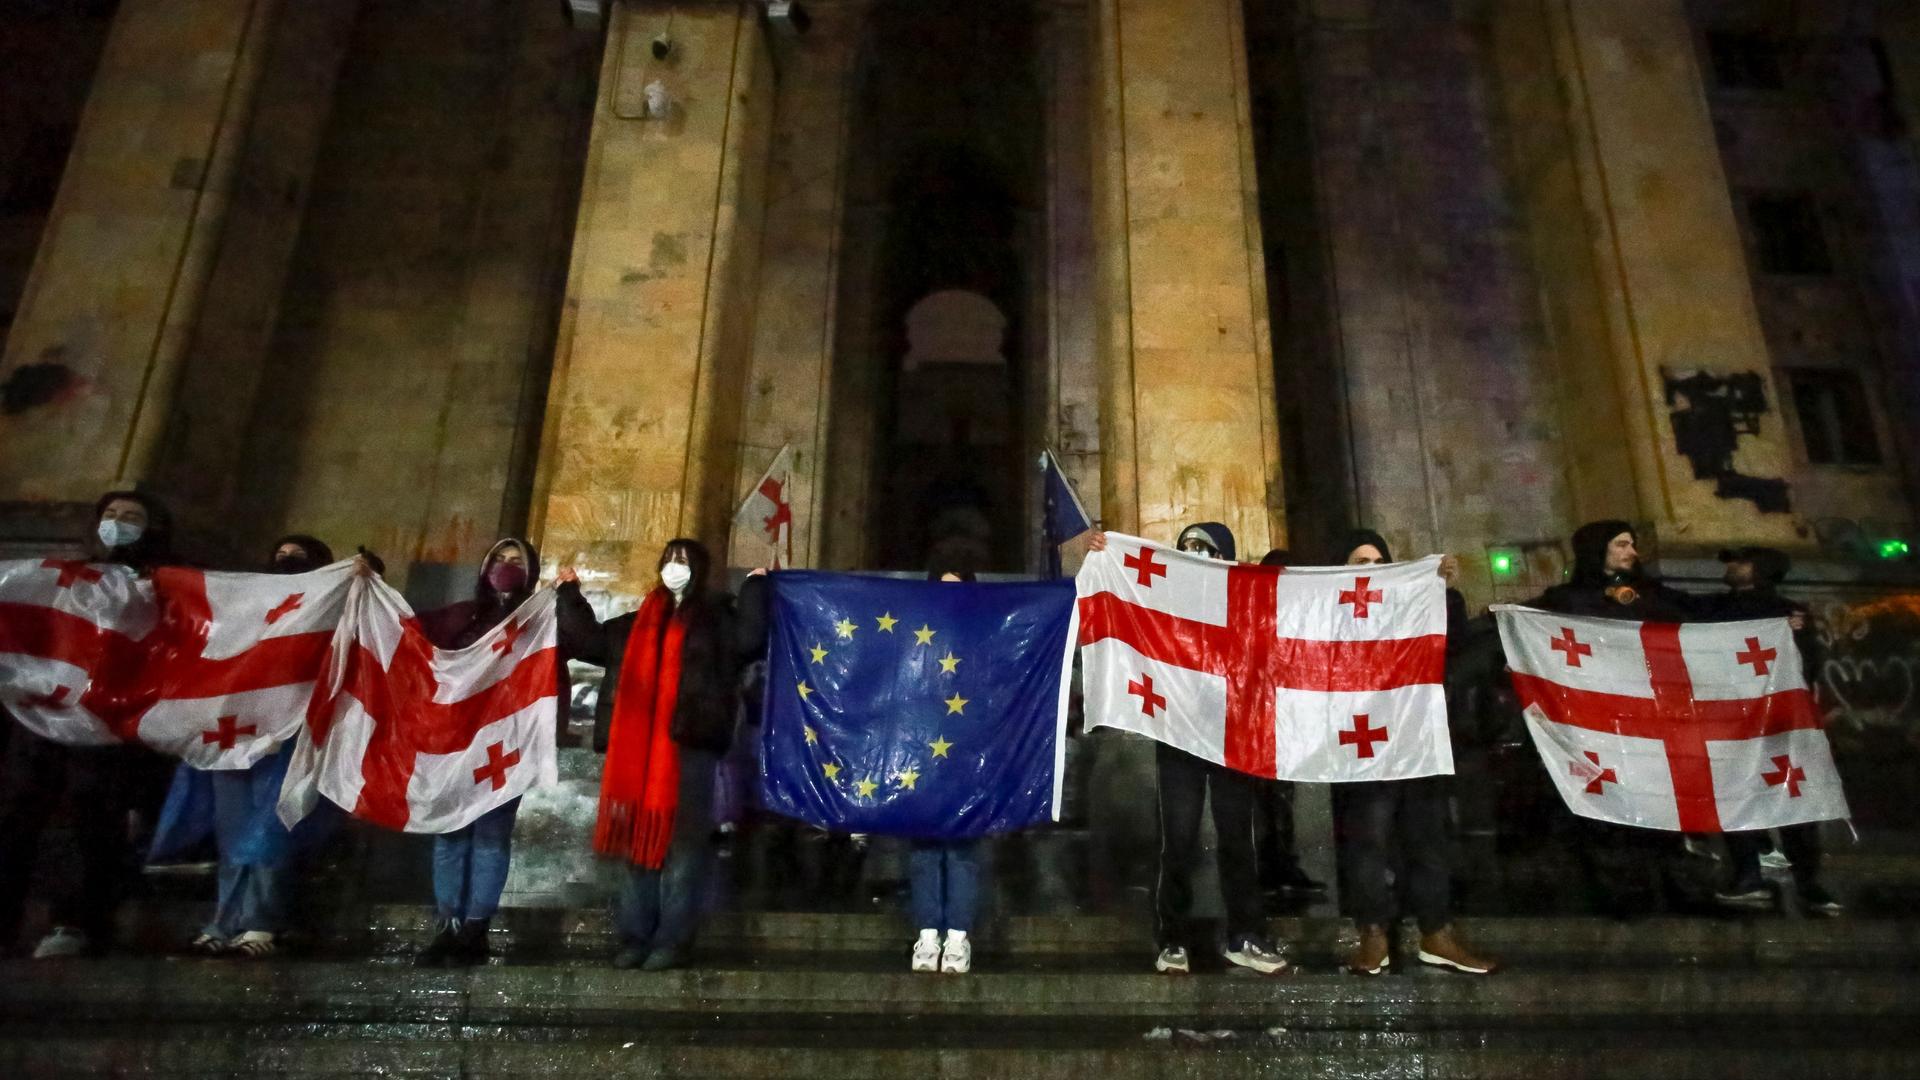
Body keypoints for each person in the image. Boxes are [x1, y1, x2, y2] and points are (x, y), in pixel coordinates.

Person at [555, 539, 766, 971]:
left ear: (701, 570)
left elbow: (750, 640)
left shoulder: (717, 621)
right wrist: (570, 596)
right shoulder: (635, 624)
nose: (675, 568)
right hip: (637, 751)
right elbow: (589, 643)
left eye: (685, 561)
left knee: (683, 849)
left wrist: (757, 592)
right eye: (670, 560)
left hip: (690, 745)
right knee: (638, 845)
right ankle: (635, 936)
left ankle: (672, 940)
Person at [1090, 524, 1289, 976]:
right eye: (1186, 549)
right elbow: (1121, 598)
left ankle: (1244, 936)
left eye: (1205, 549)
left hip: (1232, 734)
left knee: (1239, 839)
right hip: (1178, 733)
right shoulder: (1164, 603)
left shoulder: (1246, 604)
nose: (1194, 555)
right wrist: (1103, 554)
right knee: (1176, 839)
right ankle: (1172, 938)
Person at [0, 490, 174, 958]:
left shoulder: (164, 583)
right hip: (40, 716)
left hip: (106, 726)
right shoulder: (61, 575)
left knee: (92, 822)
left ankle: (78, 921)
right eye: (111, 515)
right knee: (14, 819)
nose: (118, 523)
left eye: (131, 516)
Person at [1333, 530, 1496, 976]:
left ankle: (1436, 933)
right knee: (1368, 839)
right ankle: (1373, 935)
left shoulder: (1416, 602)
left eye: (1377, 561)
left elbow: (1457, 648)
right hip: (1363, 743)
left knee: (1428, 839)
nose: (1368, 571)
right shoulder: (1330, 611)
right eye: (1356, 563)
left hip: (1416, 739)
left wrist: (1436, 587)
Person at [1526, 519, 1700, 916]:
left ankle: (1669, 890)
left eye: (1632, 545)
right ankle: (1616, 895)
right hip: (1595, 729)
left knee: (1657, 808)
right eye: (1622, 544)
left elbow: (1704, 613)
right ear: (1597, 549)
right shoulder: (1565, 600)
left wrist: (1777, 615)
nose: (1632, 553)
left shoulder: (1652, 597)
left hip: (1650, 727)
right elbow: (1525, 622)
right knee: (1605, 812)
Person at [174, 535, 335, 958]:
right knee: (233, 833)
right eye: (280, 555)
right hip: (232, 731)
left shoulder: (328, 614)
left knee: (272, 830)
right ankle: (225, 920)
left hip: (289, 737)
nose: (286, 561)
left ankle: (263, 920)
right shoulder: (243, 609)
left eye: (298, 558)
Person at [412, 537, 551, 966]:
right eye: (499, 559)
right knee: (451, 833)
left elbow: (582, 642)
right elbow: (405, 633)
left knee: (491, 837)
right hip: (457, 738)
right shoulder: (460, 615)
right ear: (485, 566)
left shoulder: (541, 617)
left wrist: (571, 598)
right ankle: (448, 924)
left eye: (517, 561)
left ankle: (476, 928)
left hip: (508, 741)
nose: (507, 567)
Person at [1707, 547, 1842, 916]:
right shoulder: (1740, 610)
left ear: (1760, 570)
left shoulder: (1786, 614)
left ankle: (1799, 880)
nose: (1732, 567)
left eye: (1741, 561)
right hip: (1739, 722)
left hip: (1777, 723)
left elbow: (1807, 665)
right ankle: (1757, 874)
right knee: (1742, 795)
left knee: (1791, 798)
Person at [909, 560, 986, 975]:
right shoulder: (917, 639)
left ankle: (957, 937)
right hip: (921, 756)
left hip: (966, 759)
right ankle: (926, 934)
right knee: (923, 851)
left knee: (960, 850)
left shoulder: (981, 640)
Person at [1253, 549, 1326, 903]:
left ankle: (1282, 862)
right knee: (1263, 800)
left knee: (1281, 799)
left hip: (1286, 722)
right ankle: (1267, 866)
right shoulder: (1256, 618)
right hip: (1258, 724)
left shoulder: (1298, 618)